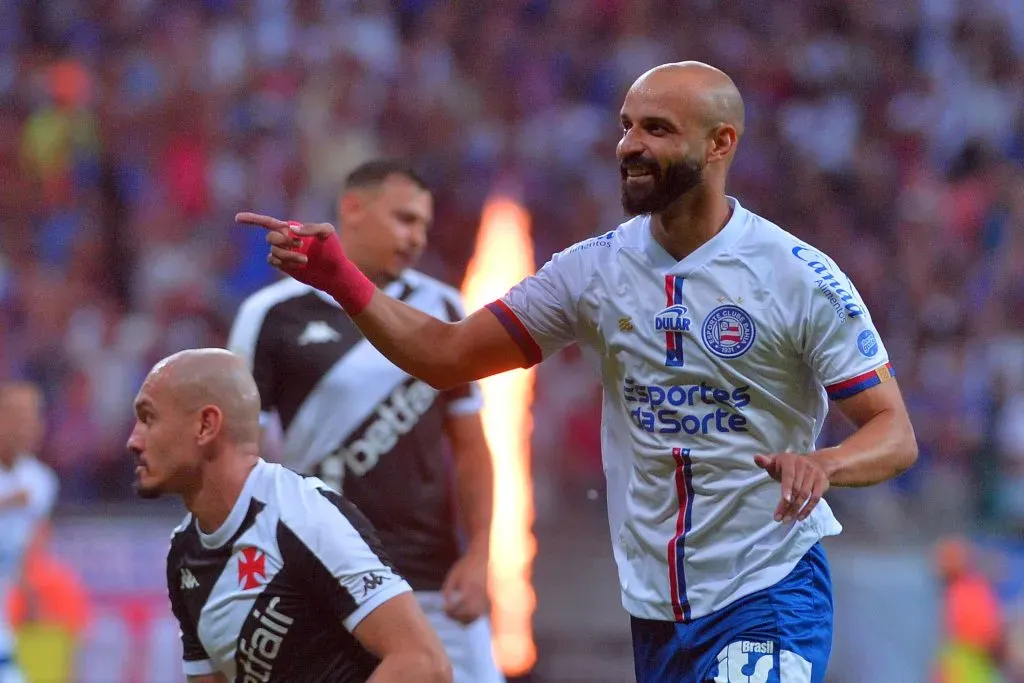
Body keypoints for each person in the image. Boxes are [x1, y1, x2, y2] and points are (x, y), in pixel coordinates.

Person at [238, 61, 919, 683]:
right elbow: (446, 355)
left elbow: (894, 429)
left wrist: (825, 464)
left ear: (721, 144)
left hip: (767, 588)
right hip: (655, 610)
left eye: (657, 129)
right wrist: (342, 280)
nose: (630, 145)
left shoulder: (796, 276)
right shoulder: (591, 272)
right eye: (626, 126)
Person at [228, 160, 502, 683]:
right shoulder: (271, 315)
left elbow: (471, 448)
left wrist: (480, 556)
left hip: (432, 580)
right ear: (352, 209)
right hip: (325, 580)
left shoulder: (443, 308)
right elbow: (243, 458)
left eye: (423, 224)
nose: (416, 237)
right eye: (404, 219)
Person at [127, 348, 451, 683]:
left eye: (148, 418)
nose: (133, 441)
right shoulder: (184, 554)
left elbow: (423, 663)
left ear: (206, 425)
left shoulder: (304, 518)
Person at [0, 382, 59, 683]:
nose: (25, 426)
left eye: (32, 417)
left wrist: (29, 592)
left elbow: (30, 546)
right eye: (15, 416)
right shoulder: (17, 493)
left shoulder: (41, 481)